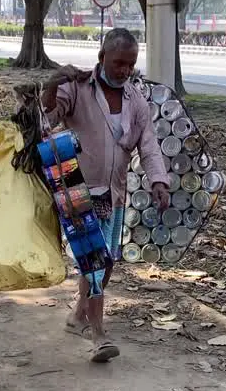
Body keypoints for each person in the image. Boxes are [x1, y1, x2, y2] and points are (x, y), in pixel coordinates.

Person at [40, 28, 169, 363]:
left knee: (105, 260)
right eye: (118, 63)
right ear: (102, 58)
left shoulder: (136, 101)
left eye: (130, 64)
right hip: (78, 188)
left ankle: (78, 315)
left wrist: (159, 182)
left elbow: (150, 145)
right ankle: (99, 335)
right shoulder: (77, 88)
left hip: (114, 194)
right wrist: (53, 85)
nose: (124, 70)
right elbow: (47, 119)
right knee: (95, 262)